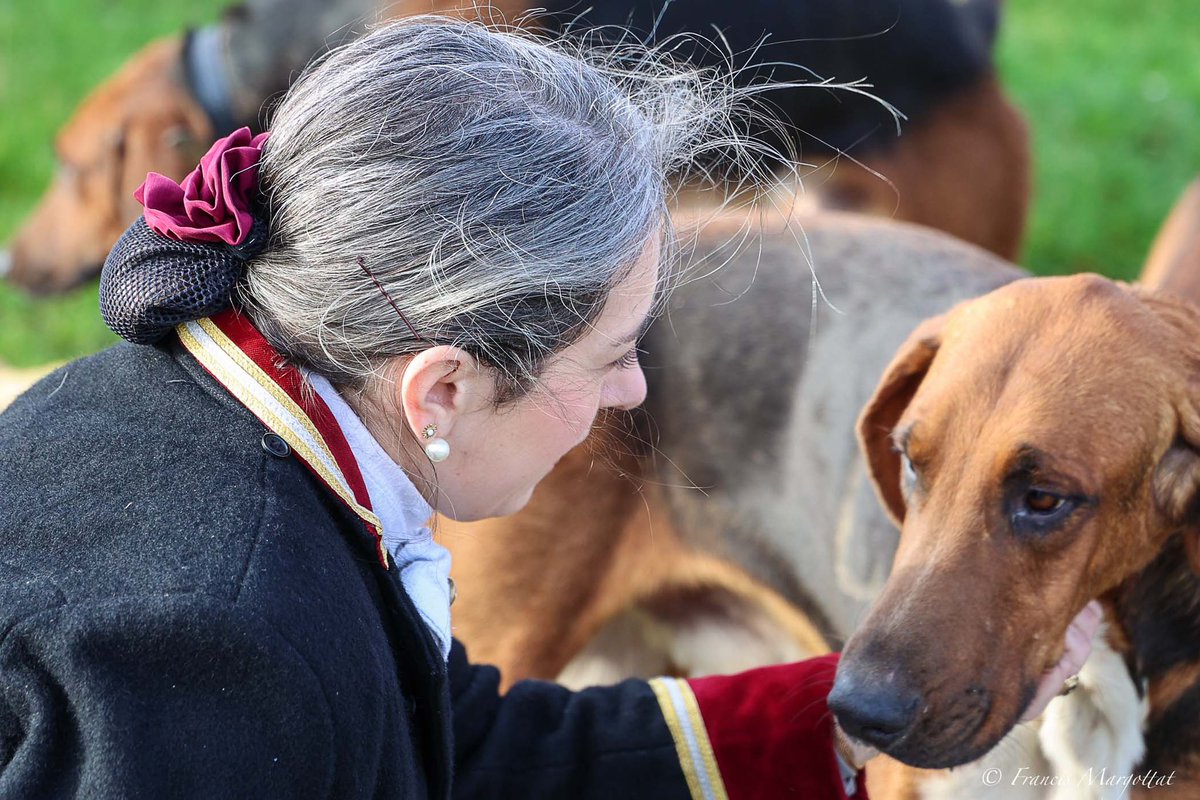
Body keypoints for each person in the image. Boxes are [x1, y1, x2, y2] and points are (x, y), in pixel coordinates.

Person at [0, 17, 1094, 800]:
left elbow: (451, 743)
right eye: (613, 354)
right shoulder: (232, 646)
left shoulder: (220, 427)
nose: (636, 389)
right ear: (445, 388)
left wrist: (848, 723)